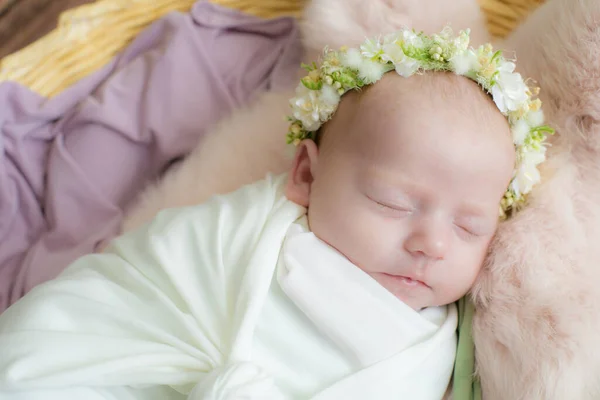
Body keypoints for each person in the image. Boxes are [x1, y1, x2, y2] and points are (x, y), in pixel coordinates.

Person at [0, 27, 551, 399]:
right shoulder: (234, 239)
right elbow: (115, 303)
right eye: (392, 203)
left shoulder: (457, 341)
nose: (431, 244)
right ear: (306, 176)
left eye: (468, 226)